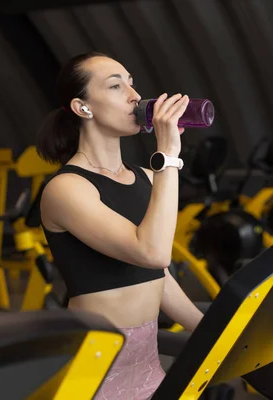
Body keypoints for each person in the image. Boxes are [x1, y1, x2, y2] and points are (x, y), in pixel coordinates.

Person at [36, 52, 204, 399]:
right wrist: (169, 155)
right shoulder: (66, 188)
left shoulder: (144, 176)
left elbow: (157, 277)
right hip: (92, 369)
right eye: (116, 86)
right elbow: (153, 253)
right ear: (83, 108)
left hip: (146, 367)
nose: (134, 96)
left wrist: (212, 330)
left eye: (131, 82)